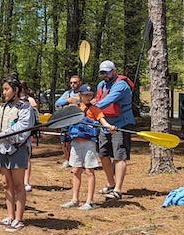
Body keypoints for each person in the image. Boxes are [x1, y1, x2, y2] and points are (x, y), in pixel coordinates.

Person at [0, 74, 36, 233]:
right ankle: (10, 215)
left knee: (19, 184)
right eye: (3, 89)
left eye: (7, 89)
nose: (4, 92)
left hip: (18, 149)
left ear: (16, 90)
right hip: (2, 149)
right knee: (6, 183)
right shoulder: (2, 107)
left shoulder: (25, 108)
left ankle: (19, 219)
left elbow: (21, 129)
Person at [60, 83, 116, 211]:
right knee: (75, 170)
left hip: (88, 144)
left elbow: (103, 122)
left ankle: (89, 201)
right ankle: (75, 199)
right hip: (75, 143)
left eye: (90, 95)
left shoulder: (95, 109)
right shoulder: (75, 109)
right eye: (85, 95)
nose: (88, 97)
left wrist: (110, 127)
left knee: (89, 171)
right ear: (80, 95)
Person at [94, 60, 134, 200]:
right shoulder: (101, 85)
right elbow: (96, 101)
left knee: (119, 156)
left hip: (120, 125)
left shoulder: (121, 85)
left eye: (107, 72)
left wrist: (89, 109)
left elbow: (107, 101)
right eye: (102, 73)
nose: (104, 75)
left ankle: (118, 190)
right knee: (103, 154)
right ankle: (111, 183)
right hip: (105, 124)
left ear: (114, 71)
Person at [55, 75, 82, 168]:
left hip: (77, 121)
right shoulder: (68, 93)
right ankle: (67, 159)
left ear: (79, 83)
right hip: (66, 120)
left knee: (75, 141)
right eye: (71, 83)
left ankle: (77, 161)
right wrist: (69, 100)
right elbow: (58, 103)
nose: (73, 84)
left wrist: (78, 100)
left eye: (75, 82)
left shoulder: (83, 93)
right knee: (64, 141)